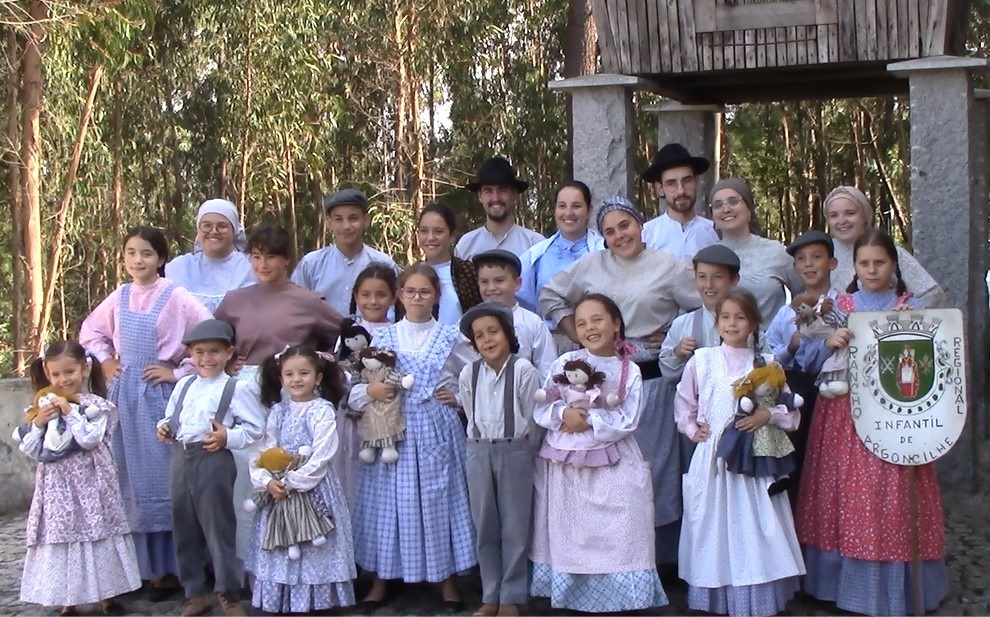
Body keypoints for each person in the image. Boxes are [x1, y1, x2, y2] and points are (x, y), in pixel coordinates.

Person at [539, 196, 700, 568]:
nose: (619, 235)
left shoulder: (668, 266)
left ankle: (656, 560)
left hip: (650, 381)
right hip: (598, 383)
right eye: (609, 231)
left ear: (640, 225)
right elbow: (549, 294)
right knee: (608, 477)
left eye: (624, 225)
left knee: (651, 469)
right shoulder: (591, 265)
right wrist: (577, 335)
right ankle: (607, 560)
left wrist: (674, 335)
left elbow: (702, 305)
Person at [795, 230, 948, 616]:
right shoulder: (839, 306)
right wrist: (829, 342)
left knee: (891, 495)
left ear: (894, 265)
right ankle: (841, 583)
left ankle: (899, 582)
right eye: (864, 263)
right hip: (843, 414)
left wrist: (914, 328)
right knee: (845, 493)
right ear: (854, 267)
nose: (872, 269)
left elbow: (936, 356)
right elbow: (806, 358)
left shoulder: (909, 305)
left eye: (880, 262)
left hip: (896, 415)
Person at [80, 225, 213, 594]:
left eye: (146, 253)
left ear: (161, 258)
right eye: (131, 253)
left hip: (159, 398)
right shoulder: (120, 296)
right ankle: (141, 568)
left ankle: (177, 567)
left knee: (166, 480)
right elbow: (90, 331)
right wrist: (106, 359)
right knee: (129, 478)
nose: (138, 260)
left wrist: (178, 371)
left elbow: (210, 335)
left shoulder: (176, 296)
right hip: (124, 398)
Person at [347, 263, 477, 608]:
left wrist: (458, 397)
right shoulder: (383, 338)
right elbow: (359, 382)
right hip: (392, 428)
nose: (417, 297)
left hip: (436, 427)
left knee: (439, 498)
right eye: (411, 291)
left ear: (436, 296)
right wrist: (371, 391)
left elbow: (475, 374)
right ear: (400, 296)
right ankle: (382, 577)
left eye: (425, 291)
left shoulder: (450, 336)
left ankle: (447, 579)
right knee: (389, 502)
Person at [214, 222, 344, 564]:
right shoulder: (234, 301)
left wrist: (316, 362)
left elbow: (344, 338)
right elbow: (214, 343)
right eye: (256, 257)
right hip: (246, 394)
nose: (263, 264)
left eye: (271, 256)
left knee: (288, 474)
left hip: (291, 394)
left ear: (286, 259)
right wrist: (228, 362)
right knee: (250, 480)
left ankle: (297, 564)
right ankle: (251, 567)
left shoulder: (308, 301)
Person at [530, 293, 668, 613]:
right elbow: (543, 403)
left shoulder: (628, 370)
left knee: (622, 526)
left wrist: (590, 420)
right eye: (581, 323)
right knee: (572, 528)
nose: (589, 328)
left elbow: (629, 418)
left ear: (616, 323)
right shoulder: (565, 363)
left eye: (597, 319)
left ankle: (623, 598)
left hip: (613, 458)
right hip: (567, 460)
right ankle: (575, 595)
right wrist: (563, 414)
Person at [674, 288, 804, 616]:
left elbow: (791, 412)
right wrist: (692, 428)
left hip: (754, 462)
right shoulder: (702, 360)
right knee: (713, 526)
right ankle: (717, 593)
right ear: (716, 321)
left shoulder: (768, 365)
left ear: (754, 323)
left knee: (754, 526)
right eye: (725, 317)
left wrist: (766, 415)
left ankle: (755, 592)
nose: (732, 324)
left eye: (740, 318)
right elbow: (684, 403)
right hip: (714, 458)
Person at [18, 341, 141, 616]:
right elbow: (31, 449)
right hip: (58, 486)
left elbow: (89, 439)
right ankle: (67, 599)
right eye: (56, 374)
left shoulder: (97, 406)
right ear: (47, 374)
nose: (64, 380)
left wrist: (70, 412)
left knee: (98, 531)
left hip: (92, 483)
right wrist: (38, 423)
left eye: (69, 372)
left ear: (84, 368)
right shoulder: (41, 407)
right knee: (63, 534)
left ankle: (107, 595)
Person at [155, 319, 265, 617]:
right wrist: (165, 428)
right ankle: (195, 592)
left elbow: (255, 428)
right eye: (199, 352)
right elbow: (171, 417)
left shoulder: (236, 388)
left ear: (228, 353)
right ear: (190, 354)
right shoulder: (184, 385)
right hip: (181, 457)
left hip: (213, 459)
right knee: (183, 525)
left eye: (214, 351)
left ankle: (228, 593)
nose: (206, 359)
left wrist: (227, 437)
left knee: (218, 527)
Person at [247, 345, 356, 613]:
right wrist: (267, 481)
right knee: (281, 541)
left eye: (304, 373)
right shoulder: (277, 411)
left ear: (317, 378)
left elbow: (323, 452)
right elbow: (264, 450)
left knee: (315, 543)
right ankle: (281, 600)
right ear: (281, 378)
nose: (296, 379)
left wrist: (294, 481)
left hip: (313, 487)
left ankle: (317, 602)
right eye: (290, 374)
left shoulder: (322, 410)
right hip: (278, 489)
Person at [458, 302, 542, 617]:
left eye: (493, 331)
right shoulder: (469, 373)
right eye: (479, 336)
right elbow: (469, 412)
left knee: (515, 526)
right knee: (485, 526)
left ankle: (511, 596)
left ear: (507, 333)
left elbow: (533, 420)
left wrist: (523, 450)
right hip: (478, 450)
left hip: (515, 449)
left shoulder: (524, 370)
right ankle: (490, 594)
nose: (487, 340)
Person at [764, 230, 839, 504]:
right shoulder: (786, 313)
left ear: (832, 263)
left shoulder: (844, 305)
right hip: (797, 398)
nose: (808, 264)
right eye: (801, 259)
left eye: (816, 257)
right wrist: (791, 347)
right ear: (794, 267)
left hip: (835, 395)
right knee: (799, 463)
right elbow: (768, 355)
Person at [824, 185, 946, 308]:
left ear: (865, 216)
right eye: (834, 215)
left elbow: (932, 295)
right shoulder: (822, 253)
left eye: (850, 213)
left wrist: (908, 311)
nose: (841, 221)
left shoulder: (890, 251)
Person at [518, 181, 604, 352]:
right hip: (546, 344)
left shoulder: (603, 250)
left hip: (596, 342)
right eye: (562, 206)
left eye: (576, 206)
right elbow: (521, 302)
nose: (568, 213)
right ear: (555, 210)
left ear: (589, 210)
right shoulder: (536, 255)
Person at [292, 188, 398, 317]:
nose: (346, 226)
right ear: (329, 222)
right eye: (339, 219)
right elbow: (295, 306)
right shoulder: (311, 264)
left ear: (366, 220)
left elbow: (395, 310)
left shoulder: (383, 264)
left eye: (353, 218)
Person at [710, 178, 803, 323]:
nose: (726, 209)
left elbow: (803, 294)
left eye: (733, 201)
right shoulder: (707, 257)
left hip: (771, 336)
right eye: (718, 205)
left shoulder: (776, 252)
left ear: (749, 210)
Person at [659, 244, 742, 382]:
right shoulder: (682, 324)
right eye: (702, 276)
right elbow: (667, 374)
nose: (709, 285)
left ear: (734, 279)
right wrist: (678, 353)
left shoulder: (748, 324)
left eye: (718, 277)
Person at [472, 249, 557, 377]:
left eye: (499, 281)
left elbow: (547, 370)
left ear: (517, 283)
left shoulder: (532, 323)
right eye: (484, 282)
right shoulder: (470, 323)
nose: (491, 288)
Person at [165, 198, 256, 313]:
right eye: (207, 225)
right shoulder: (179, 268)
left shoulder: (251, 267)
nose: (214, 231)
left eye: (222, 226)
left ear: (234, 231)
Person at [640, 143, 720, 262]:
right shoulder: (647, 235)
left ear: (696, 181)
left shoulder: (713, 232)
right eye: (671, 183)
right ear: (660, 189)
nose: (681, 190)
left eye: (686, 181)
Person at [455, 156, 544, 260]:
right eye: (488, 191)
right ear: (480, 196)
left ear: (514, 194)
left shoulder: (535, 244)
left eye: (503, 190)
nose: (496, 198)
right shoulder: (465, 245)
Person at [416, 201, 483, 324]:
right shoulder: (413, 275)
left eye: (438, 231)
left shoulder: (468, 272)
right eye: (424, 231)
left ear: (452, 236)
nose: (430, 238)